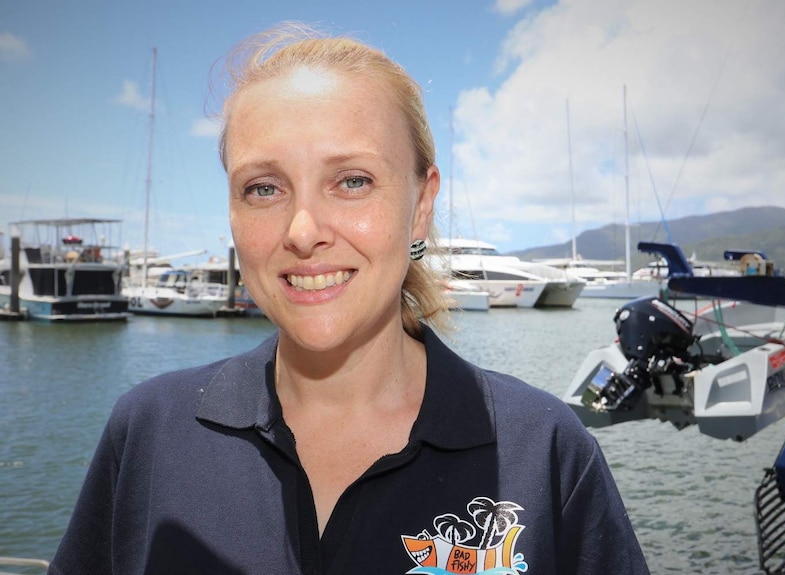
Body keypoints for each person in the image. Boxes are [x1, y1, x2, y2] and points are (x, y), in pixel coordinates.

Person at [49, 22, 650, 574]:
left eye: (352, 181)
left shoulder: (543, 452)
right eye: (263, 188)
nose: (303, 230)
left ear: (420, 204)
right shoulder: (150, 433)